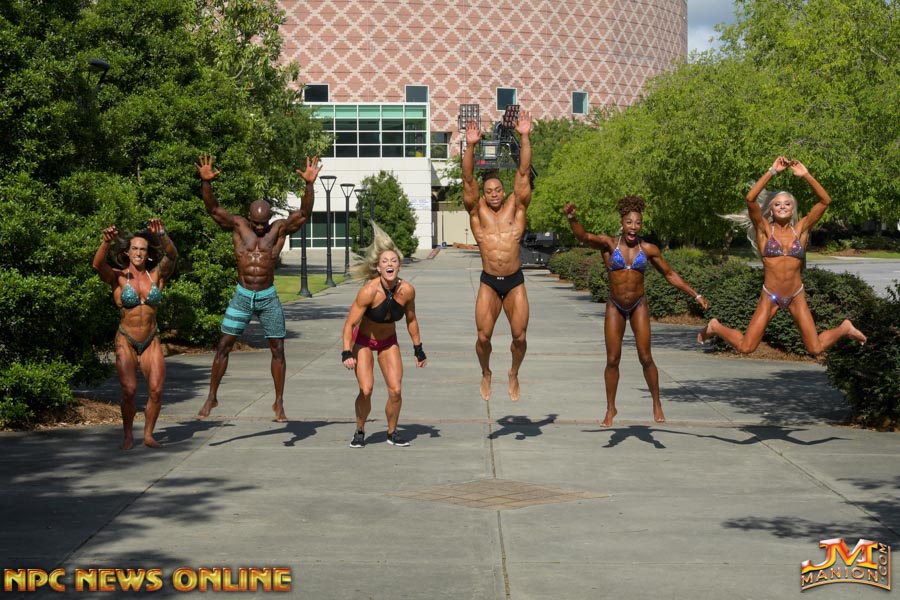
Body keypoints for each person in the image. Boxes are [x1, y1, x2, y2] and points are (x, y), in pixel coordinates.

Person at [194, 153, 321, 421]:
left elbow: (304, 213)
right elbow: (214, 210)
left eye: (264, 223)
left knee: (278, 349)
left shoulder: (279, 229)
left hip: (267, 296)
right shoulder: (239, 226)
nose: (260, 227)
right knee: (223, 345)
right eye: (256, 223)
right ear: (249, 218)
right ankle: (212, 397)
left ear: (270, 218)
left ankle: (279, 402)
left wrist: (309, 186)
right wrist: (206, 182)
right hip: (242, 295)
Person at [563, 198, 709, 427]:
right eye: (629, 222)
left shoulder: (648, 249)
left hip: (638, 305)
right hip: (615, 305)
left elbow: (670, 274)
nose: (633, 227)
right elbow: (584, 237)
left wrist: (695, 294)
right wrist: (573, 219)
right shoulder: (609, 245)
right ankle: (610, 408)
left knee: (646, 357)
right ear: (622, 223)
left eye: (638, 223)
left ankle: (657, 402)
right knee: (612, 359)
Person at [698, 156, 866, 353]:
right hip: (771, 296)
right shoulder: (764, 231)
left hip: (796, 295)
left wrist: (806, 175)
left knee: (815, 348)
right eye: (777, 204)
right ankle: (715, 327)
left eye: (787, 204)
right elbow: (750, 199)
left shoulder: (801, 230)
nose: (783, 207)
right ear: (771, 210)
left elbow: (825, 201)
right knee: (746, 347)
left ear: (792, 209)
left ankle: (845, 328)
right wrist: (772, 171)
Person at [462, 109, 533, 402]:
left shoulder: (516, 207)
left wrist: (524, 137)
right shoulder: (476, 210)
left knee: (520, 337)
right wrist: (470, 146)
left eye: (497, 190)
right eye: (489, 190)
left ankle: (514, 372)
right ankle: (486, 372)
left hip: (514, 281)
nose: (493, 193)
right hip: (489, 282)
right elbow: (467, 179)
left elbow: (523, 173)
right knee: (483, 337)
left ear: (504, 192)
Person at [92, 219, 178, 449]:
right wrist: (105, 243)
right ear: (127, 253)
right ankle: (128, 435)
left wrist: (162, 234)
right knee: (129, 390)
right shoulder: (118, 277)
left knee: (156, 390)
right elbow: (98, 265)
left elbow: (172, 255)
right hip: (126, 339)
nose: (139, 253)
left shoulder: (156, 275)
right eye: (135, 249)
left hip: (151, 339)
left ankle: (148, 435)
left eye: (143, 249)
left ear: (148, 254)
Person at [341, 223, 427, 448]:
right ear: (378, 268)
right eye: (385, 261)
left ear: (399, 265)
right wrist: (346, 352)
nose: (390, 264)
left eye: (394, 261)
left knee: (396, 390)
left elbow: (411, 320)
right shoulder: (369, 291)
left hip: (388, 342)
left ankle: (392, 432)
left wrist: (418, 349)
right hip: (364, 342)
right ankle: (360, 430)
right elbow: (350, 324)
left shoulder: (407, 291)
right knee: (366, 389)